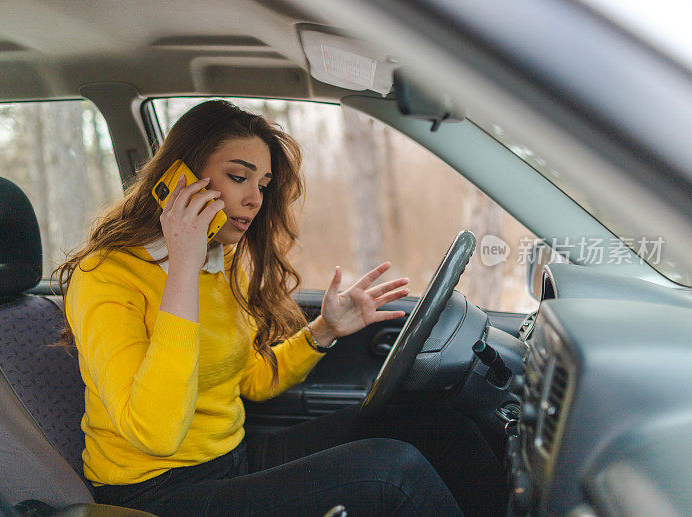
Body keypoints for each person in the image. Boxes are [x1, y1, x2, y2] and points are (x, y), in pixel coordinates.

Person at [55, 100, 498, 516]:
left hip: (232, 458)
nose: (255, 199)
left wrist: (324, 329)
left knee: (432, 422)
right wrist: (182, 270)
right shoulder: (105, 276)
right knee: (392, 471)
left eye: (262, 185)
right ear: (179, 178)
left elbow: (252, 378)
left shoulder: (219, 262)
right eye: (238, 177)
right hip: (155, 492)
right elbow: (157, 433)